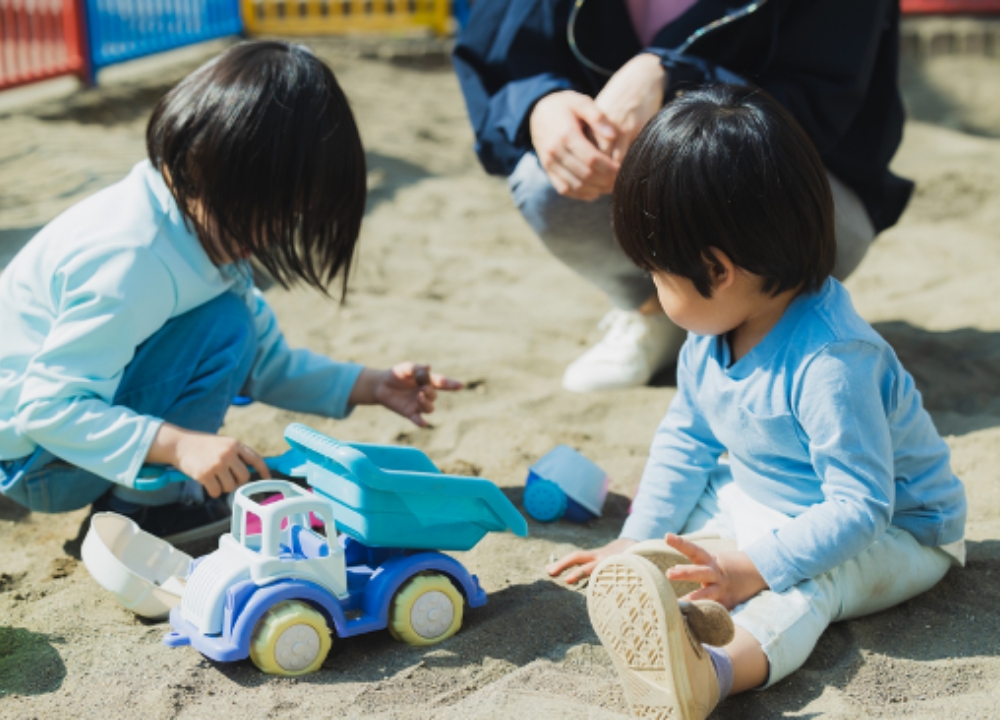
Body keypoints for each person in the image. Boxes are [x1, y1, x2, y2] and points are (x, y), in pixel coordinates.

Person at [545, 86, 966, 719]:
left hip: (900, 530)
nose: (654, 292)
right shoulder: (710, 334)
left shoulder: (831, 362)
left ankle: (710, 673)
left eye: (657, 275)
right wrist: (631, 542)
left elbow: (861, 506)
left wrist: (755, 567)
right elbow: (687, 441)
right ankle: (661, 593)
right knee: (697, 506)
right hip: (774, 495)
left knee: (805, 583)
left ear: (717, 271)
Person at [0, 41, 461, 544]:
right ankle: (149, 511)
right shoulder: (133, 256)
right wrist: (179, 446)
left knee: (228, 324)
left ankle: (142, 496)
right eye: (272, 212)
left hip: (49, 442)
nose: (276, 233)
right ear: (219, 173)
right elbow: (46, 407)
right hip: (34, 460)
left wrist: (369, 384)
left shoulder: (197, 229)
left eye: (293, 216)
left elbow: (264, 364)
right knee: (224, 324)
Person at [453, 0, 913, 393]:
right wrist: (539, 102)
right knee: (545, 182)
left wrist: (668, 77)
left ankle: (774, 330)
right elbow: (496, 54)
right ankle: (660, 316)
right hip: (633, 175)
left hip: (804, 176)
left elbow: (825, 97)